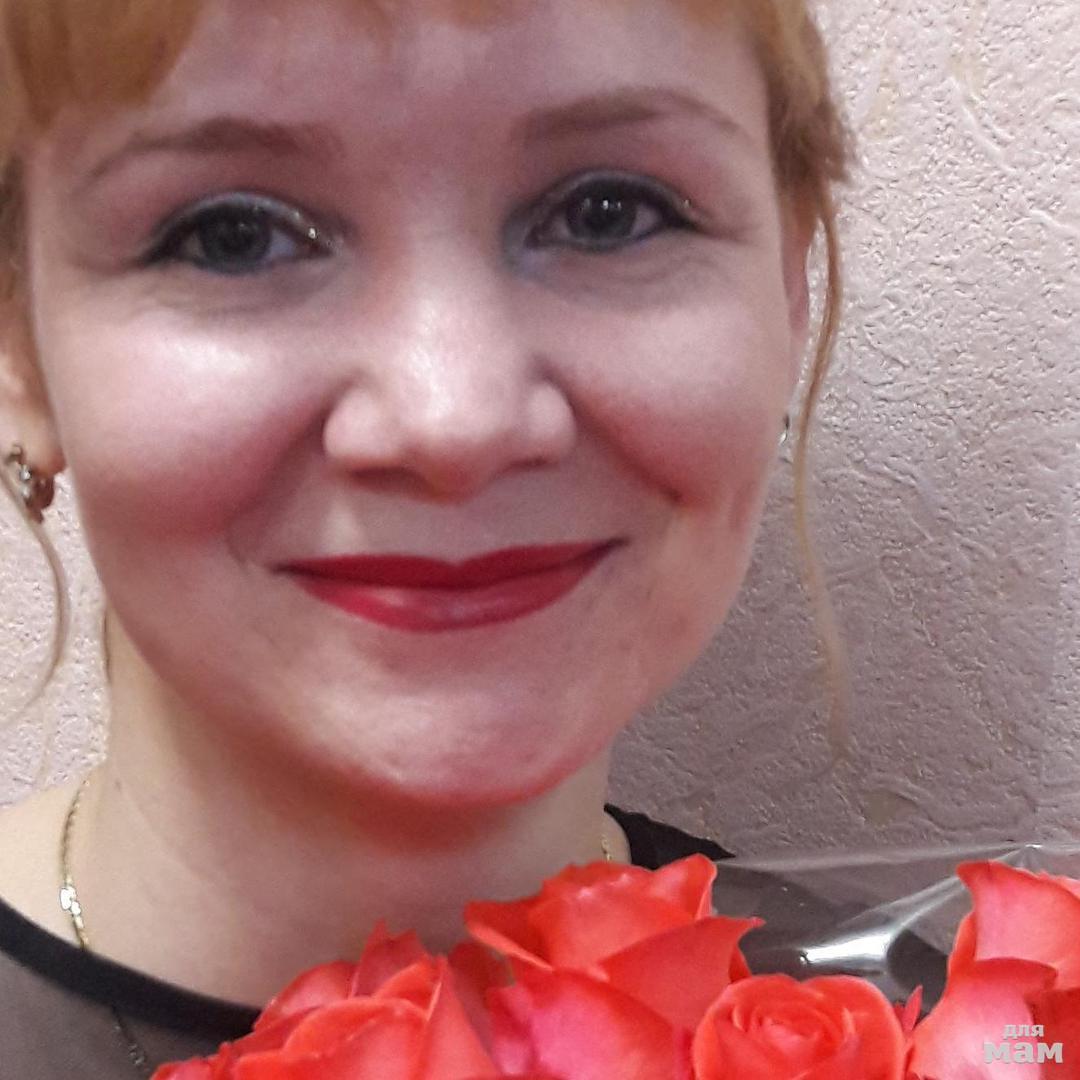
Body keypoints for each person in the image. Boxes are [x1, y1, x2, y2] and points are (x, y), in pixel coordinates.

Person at [0, 0, 851, 1074]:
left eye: (608, 213)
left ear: (787, 290)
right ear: (18, 349)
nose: (453, 419)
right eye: (232, 235)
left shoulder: (964, 1032)